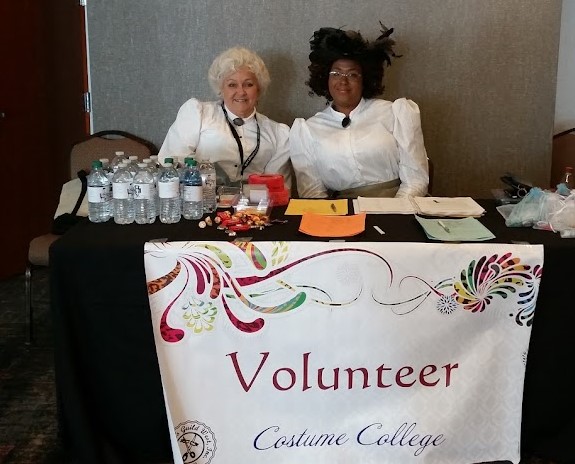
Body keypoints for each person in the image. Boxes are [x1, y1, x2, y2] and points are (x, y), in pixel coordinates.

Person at [290, 24, 428, 198]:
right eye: (336, 73)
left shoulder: (395, 113)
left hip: (396, 208)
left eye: (352, 75)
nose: (343, 81)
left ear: (366, 80)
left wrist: (394, 213)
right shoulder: (307, 130)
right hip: (340, 215)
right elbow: (312, 191)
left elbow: (416, 180)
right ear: (325, 78)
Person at [158, 47, 291, 189]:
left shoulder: (278, 133)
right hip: (201, 202)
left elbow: (277, 188)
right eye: (232, 85)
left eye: (248, 84)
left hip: (254, 208)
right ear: (221, 89)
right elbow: (171, 162)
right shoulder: (199, 114)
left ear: (259, 89)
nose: (241, 92)